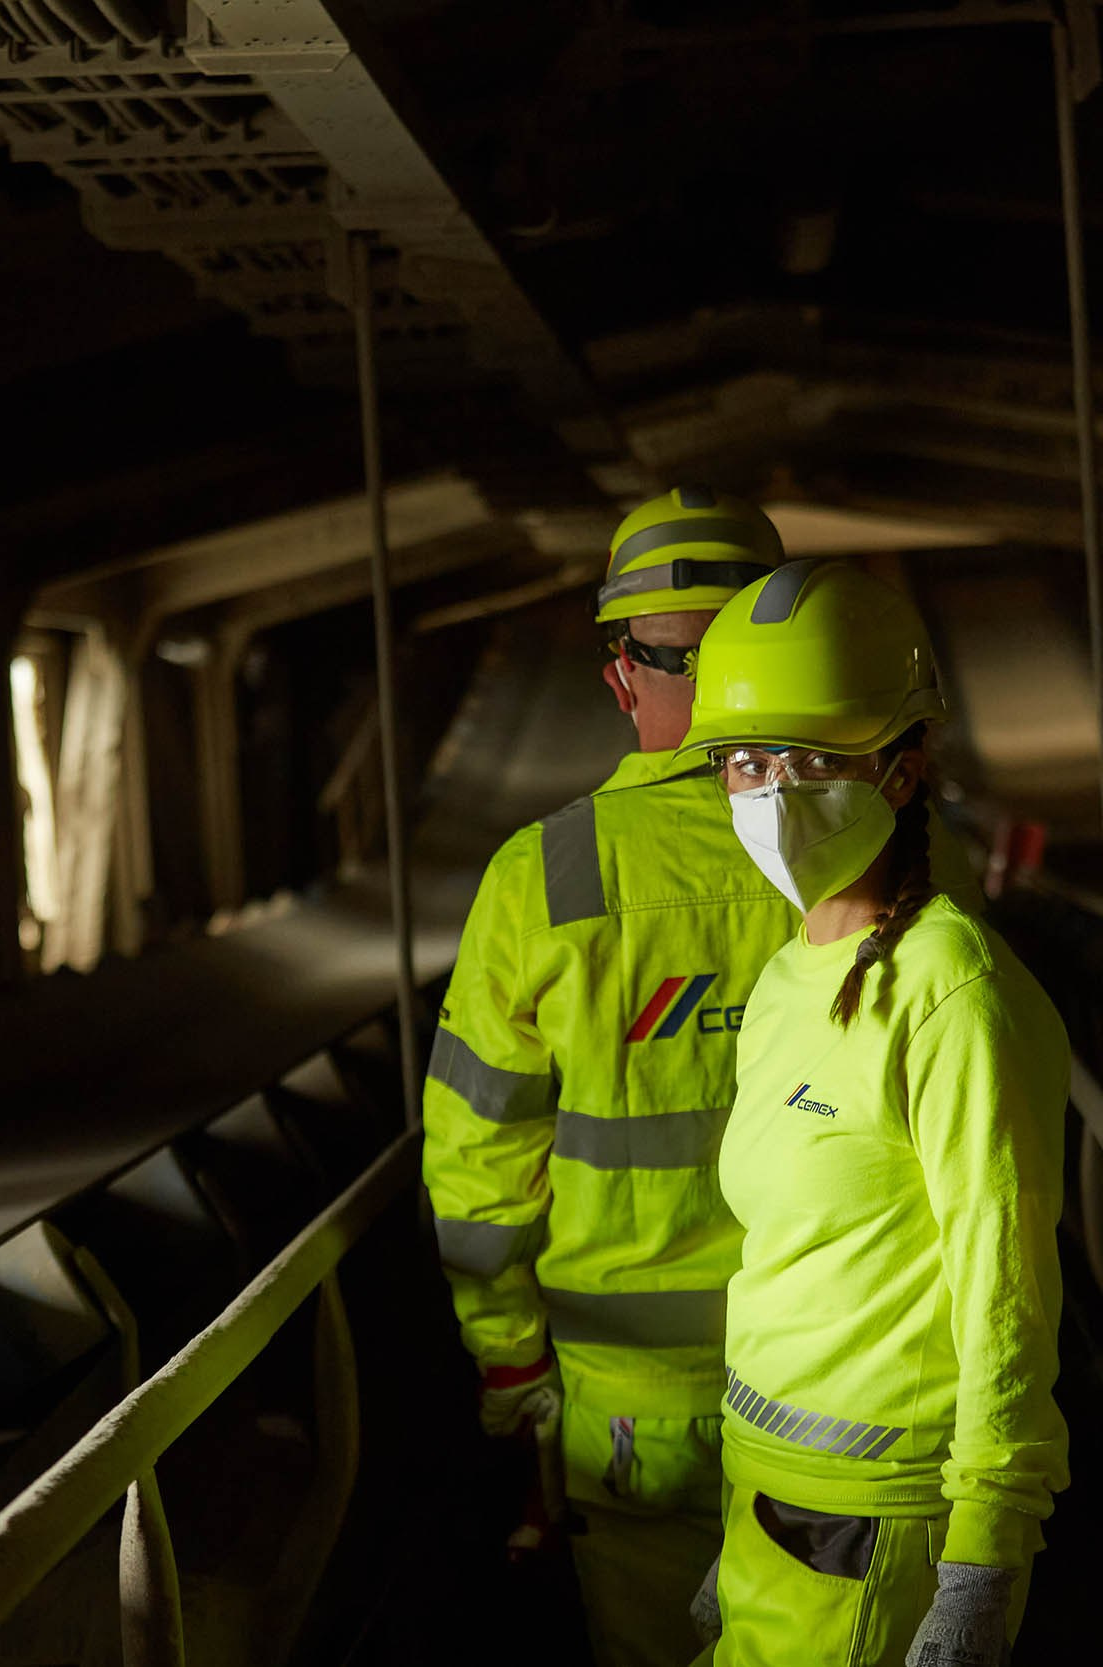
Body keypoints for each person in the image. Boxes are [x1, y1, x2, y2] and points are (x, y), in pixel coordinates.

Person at [421, 486, 798, 1667]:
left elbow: (477, 1168)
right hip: (844, 1386)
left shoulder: (541, 881)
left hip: (627, 1405)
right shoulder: (880, 857)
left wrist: (510, 1362)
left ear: (622, 675)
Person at [679, 559, 1070, 1667]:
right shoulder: (787, 973)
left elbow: (1007, 1294)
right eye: (743, 762)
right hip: (769, 1491)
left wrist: (980, 1562)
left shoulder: (953, 990)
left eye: (806, 759)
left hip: (876, 1521)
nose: (767, 793)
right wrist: (739, 1515)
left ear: (900, 772)